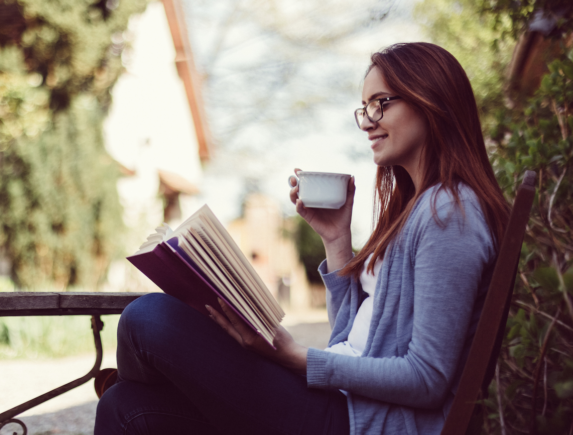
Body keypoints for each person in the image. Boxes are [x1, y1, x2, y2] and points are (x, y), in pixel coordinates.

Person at [94, 42, 509, 435]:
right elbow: (349, 340)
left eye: (381, 103)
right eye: (364, 108)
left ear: (431, 99)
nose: (368, 121)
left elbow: (427, 378)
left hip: (357, 421)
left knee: (146, 318)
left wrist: (296, 358)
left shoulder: (449, 213)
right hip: (340, 404)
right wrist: (336, 239)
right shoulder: (416, 209)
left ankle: (184, 389)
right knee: (123, 406)